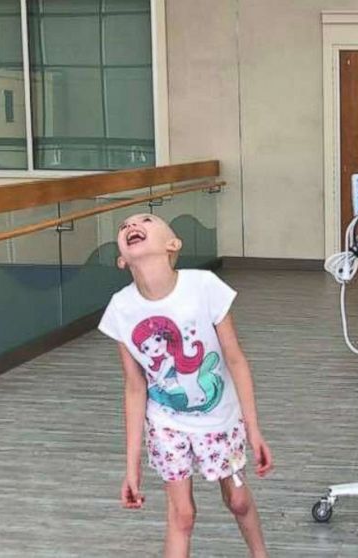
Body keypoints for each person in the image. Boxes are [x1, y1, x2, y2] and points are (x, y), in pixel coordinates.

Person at [98, 213, 273, 558]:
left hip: (218, 419)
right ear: (122, 259)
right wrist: (131, 468)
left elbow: (235, 359)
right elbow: (135, 388)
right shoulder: (121, 308)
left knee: (237, 500)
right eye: (124, 226)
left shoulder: (204, 286)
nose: (132, 226)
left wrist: (253, 429)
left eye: (146, 220)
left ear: (172, 244)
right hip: (166, 425)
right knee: (183, 515)